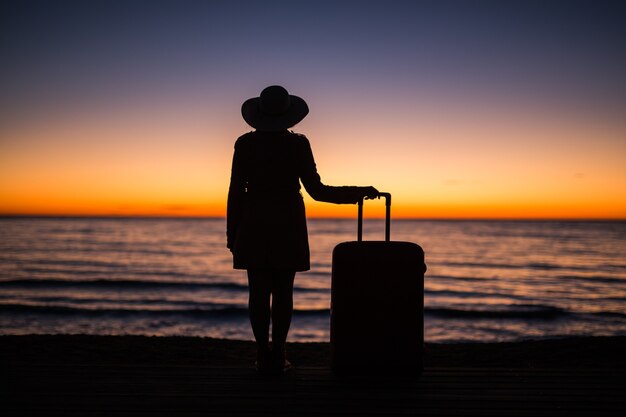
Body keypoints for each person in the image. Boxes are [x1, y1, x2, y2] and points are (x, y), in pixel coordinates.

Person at [227, 85, 378, 374]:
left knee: (258, 292)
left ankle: (262, 355)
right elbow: (317, 191)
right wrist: (357, 193)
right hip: (288, 220)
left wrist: (232, 231)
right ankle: (279, 353)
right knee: (283, 292)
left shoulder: (244, 144)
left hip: (253, 219)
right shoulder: (298, 144)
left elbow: (236, 190)